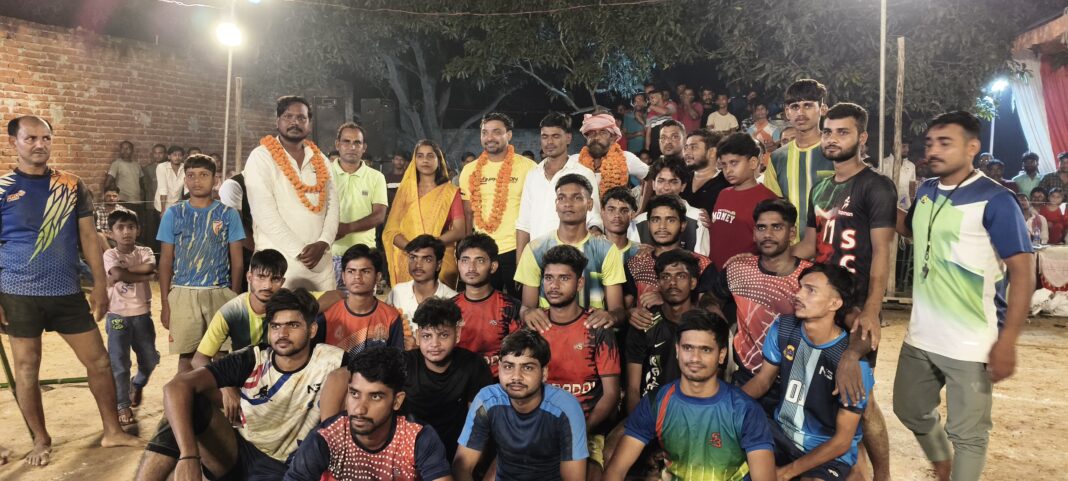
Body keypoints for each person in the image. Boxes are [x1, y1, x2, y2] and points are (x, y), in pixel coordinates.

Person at [895, 111, 1035, 481]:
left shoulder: (996, 200)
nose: (933, 151)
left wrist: (1008, 342)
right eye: (930, 143)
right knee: (909, 409)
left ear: (972, 147)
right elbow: (911, 229)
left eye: (945, 143)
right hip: (922, 334)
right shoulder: (927, 189)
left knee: (969, 435)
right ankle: (943, 463)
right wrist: (872, 198)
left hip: (973, 341)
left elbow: (1023, 273)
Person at [2, 116, 141, 466]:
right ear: (13, 142)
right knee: (27, 369)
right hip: (17, 292)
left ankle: (112, 431)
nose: (40, 145)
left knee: (99, 361)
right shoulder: (2, 187)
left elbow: (89, 237)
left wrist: (100, 284)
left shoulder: (71, 184)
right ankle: (41, 439)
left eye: (46, 138)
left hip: (66, 291)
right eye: (31, 138)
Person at [786, 102, 896, 481]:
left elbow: (882, 253)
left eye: (842, 132)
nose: (832, 139)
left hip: (855, 308)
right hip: (823, 305)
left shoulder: (876, 186)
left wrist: (871, 310)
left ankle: (882, 476)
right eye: (828, 132)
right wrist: (765, 258)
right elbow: (808, 246)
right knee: (831, 398)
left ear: (862, 137)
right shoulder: (820, 187)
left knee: (860, 401)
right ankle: (854, 470)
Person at [135, 288, 350, 481]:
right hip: (236, 451)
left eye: (293, 325)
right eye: (275, 326)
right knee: (187, 403)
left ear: (312, 330)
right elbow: (175, 387)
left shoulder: (333, 361)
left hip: (281, 467)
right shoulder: (253, 358)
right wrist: (188, 456)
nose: (282, 334)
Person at [742, 264, 875, 481]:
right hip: (780, 434)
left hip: (826, 451)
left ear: (835, 303)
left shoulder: (852, 365)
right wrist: (726, 403)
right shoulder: (783, 328)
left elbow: (842, 441)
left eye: (810, 290)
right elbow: (763, 381)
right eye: (800, 287)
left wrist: (787, 472)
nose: (798, 294)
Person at [608, 310, 775, 481]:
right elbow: (616, 471)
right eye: (688, 348)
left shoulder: (745, 410)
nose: (695, 358)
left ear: (721, 355)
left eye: (705, 350)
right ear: (677, 350)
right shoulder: (656, 402)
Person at [283, 346, 453, 481]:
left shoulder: (418, 438)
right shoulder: (327, 437)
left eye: (375, 396)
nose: (359, 409)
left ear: (397, 401)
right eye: (354, 394)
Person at [532, 245, 622, 476]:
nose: (554, 285)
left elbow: (611, 394)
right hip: (538, 426)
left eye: (564, 278)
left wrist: (579, 431)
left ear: (580, 283)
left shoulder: (597, 328)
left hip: (587, 427)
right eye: (549, 278)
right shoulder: (533, 328)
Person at [453, 329, 589, 481]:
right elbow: (462, 467)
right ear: (499, 368)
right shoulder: (487, 400)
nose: (516, 376)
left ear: (544, 373)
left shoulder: (566, 408)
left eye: (527, 367)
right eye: (508, 366)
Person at [707, 199, 811, 391]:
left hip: (797, 380)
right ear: (754, 233)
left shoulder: (810, 277)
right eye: (761, 228)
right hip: (745, 376)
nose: (768, 234)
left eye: (777, 227)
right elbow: (710, 299)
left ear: (792, 233)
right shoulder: (738, 269)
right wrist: (720, 328)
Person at [158, 154, 245, 374]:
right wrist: (166, 303)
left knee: (220, 355)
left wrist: (233, 297)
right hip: (183, 293)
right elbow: (166, 261)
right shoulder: (173, 213)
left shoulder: (228, 214)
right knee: (186, 358)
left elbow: (237, 261)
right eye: (191, 175)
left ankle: (219, 398)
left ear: (215, 180)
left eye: (204, 175)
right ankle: (185, 397)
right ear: (185, 180)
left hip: (219, 292)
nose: (197, 181)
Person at [245, 95, 340, 291]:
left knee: (323, 311)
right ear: (277, 121)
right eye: (288, 116)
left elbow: (333, 206)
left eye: (301, 118)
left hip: (320, 264)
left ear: (309, 123)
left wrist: (323, 242)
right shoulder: (261, 157)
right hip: (277, 265)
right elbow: (264, 214)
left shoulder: (320, 159)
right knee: (278, 311)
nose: (295, 122)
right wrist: (300, 251)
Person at [516, 175, 626, 330]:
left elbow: (618, 310)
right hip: (547, 332)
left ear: (589, 204)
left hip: (592, 332)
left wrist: (611, 316)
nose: (568, 204)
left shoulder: (606, 249)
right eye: (561, 198)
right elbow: (526, 307)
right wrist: (527, 313)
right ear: (556, 205)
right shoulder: (535, 249)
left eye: (576, 197)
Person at [399, 298, 494, 462]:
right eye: (427, 336)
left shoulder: (473, 365)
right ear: (418, 337)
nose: (434, 344)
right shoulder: (404, 364)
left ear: (457, 334)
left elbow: (479, 424)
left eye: (443, 335)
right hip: (409, 452)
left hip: (458, 453)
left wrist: (466, 467)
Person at [459, 112, 538, 297]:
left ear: (508, 134)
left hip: (518, 249)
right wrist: (467, 250)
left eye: (496, 132)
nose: (489, 138)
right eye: (484, 132)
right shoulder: (470, 170)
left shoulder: (529, 167)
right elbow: (468, 213)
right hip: (483, 251)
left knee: (520, 304)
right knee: (485, 304)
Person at [516, 112, 601, 259]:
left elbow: (594, 218)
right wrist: (520, 264)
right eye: (545, 136)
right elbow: (524, 224)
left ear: (568, 138)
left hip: (572, 259)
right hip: (536, 258)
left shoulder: (583, 173)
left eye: (555, 136)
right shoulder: (533, 175)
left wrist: (595, 232)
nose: (549, 142)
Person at [103, 209, 160, 427]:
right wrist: (145, 276)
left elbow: (149, 266)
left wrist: (127, 271)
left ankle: (137, 384)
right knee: (119, 363)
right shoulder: (109, 255)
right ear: (111, 233)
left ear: (138, 230)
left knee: (150, 358)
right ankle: (122, 405)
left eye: (130, 227)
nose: (126, 232)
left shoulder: (145, 250)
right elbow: (117, 274)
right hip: (117, 316)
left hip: (142, 316)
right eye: (120, 228)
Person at [623, 249, 698, 413]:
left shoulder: (706, 326)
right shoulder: (644, 322)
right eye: (665, 277)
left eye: (681, 276)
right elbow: (633, 389)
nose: (673, 283)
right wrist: (637, 423)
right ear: (658, 284)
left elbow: (712, 385)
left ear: (693, 282)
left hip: (693, 414)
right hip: (649, 412)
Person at [384, 139, 466, 288]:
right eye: (420, 156)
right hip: (408, 256)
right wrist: (413, 249)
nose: (425, 160)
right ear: (414, 161)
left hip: (440, 257)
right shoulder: (405, 192)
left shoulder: (450, 192)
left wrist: (431, 246)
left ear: (439, 160)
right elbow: (391, 230)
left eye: (430, 156)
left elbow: (459, 230)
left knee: (440, 298)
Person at [191, 249, 288, 368]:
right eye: (261, 277)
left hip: (281, 373)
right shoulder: (232, 311)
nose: (267, 285)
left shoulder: (289, 307)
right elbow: (199, 359)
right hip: (243, 374)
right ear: (249, 277)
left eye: (275, 279)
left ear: (282, 282)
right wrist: (222, 380)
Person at [764, 79, 835, 240]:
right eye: (795, 107)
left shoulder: (837, 152)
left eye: (808, 105)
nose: (801, 113)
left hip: (831, 248)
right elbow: (772, 208)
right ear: (787, 112)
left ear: (823, 109)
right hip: (790, 249)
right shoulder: (777, 158)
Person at [625, 194, 716, 310]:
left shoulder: (702, 264)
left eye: (670, 220)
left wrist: (668, 299)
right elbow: (623, 309)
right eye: (655, 220)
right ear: (648, 224)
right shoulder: (635, 264)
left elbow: (709, 310)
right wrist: (630, 314)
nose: (662, 226)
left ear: (683, 225)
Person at [316, 245, 406, 356]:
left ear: (378, 277)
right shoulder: (328, 314)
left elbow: (397, 359)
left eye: (365, 271)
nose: (357, 276)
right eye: (351, 271)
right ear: (343, 276)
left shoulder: (391, 317)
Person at [451, 233, 522, 375]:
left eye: (480, 261)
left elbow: (519, 355)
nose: (471, 268)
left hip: (500, 382)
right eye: (465, 260)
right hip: (458, 380)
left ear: (493, 266)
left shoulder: (510, 307)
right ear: (458, 264)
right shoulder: (449, 308)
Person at [330, 122, 388, 289]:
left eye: (357, 142)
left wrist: (346, 228)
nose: (352, 147)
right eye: (346, 141)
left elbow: (379, 215)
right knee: (328, 305)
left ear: (364, 147)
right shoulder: (324, 174)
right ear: (337, 145)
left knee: (363, 304)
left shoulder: (376, 177)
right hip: (328, 255)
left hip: (364, 257)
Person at [708, 133, 778, 269]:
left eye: (734, 163)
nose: (728, 170)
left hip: (748, 274)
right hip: (715, 273)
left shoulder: (768, 199)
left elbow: (775, 246)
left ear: (753, 163)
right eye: (724, 165)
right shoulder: (723, 194)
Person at [633, 156, 710, 256]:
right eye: (661, 181)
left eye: (673, 182)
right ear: (653, 184)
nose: (666, 188)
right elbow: (633, 259)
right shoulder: (639, 222)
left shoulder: (698, 218)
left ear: (683, 186)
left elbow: (702, 260)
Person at [387, 235, 458, 337]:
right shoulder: (398, 291)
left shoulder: (452, 299)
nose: (418, 265)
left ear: (438, 264)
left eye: (427, 259)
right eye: (413, 258)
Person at [573, 112, 649, 205]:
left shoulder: (626, 158)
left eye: (603, 132)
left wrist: (641, 208)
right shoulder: (575, 160)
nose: (596, 137)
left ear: (612, 138)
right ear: (586, 137)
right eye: (592, 133)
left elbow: (650, 176)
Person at [680, 128, 730, 216]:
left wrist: (711, 221)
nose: (687, 152)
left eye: (693, 147)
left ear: (712, 152)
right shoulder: (681, 178)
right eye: (686, 147)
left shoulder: (726, 184)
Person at [600, 186, 641, 264]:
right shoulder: (588, 250)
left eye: (624, 211)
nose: (617, 215)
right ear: (602, 212)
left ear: (632, 215)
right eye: (611, 210)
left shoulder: (641, 254)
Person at [104, 140, 143, 210]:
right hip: (123, 200)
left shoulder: (137, 165)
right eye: (123, 148)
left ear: (132, 150)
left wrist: (142, 197)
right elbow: (108, 182)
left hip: (137, 201)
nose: (125, 151)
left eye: (127, 148)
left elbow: (141, 183)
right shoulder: (116, 164)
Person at [156, 146, 186, 213]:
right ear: (169, 156)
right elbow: (163, 189)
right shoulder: (162, 167)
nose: (177, 157)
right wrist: (163, 210)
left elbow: (187, 188)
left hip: (177, 205)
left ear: (183, 157)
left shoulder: (185, 167)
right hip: (162, 205)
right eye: (174, 155)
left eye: (180, 155)